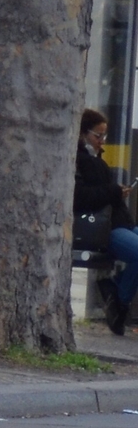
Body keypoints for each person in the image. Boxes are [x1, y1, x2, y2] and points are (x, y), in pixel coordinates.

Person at [75, 108, 138, 335]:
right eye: (97, 136)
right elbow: (80, 197)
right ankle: (119, 300)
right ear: (83, 134)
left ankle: (117, 292)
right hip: (105, 229)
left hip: (119, 223)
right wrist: (113, 191)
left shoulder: (95, 160)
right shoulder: (80, 160)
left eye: (104, 136)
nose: (102, 141)